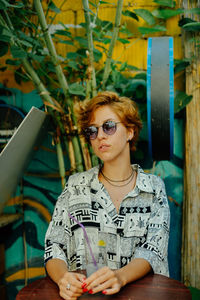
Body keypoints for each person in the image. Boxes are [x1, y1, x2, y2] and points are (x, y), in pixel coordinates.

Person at [44, 91, 170, 300]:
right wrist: (62, 278)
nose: (100, 136)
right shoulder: (76, 186)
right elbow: (54, 246)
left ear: (130, 131)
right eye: (92, 131)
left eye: (109, 127)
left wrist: (120, 277)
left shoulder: (153, 188)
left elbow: (154, 250)